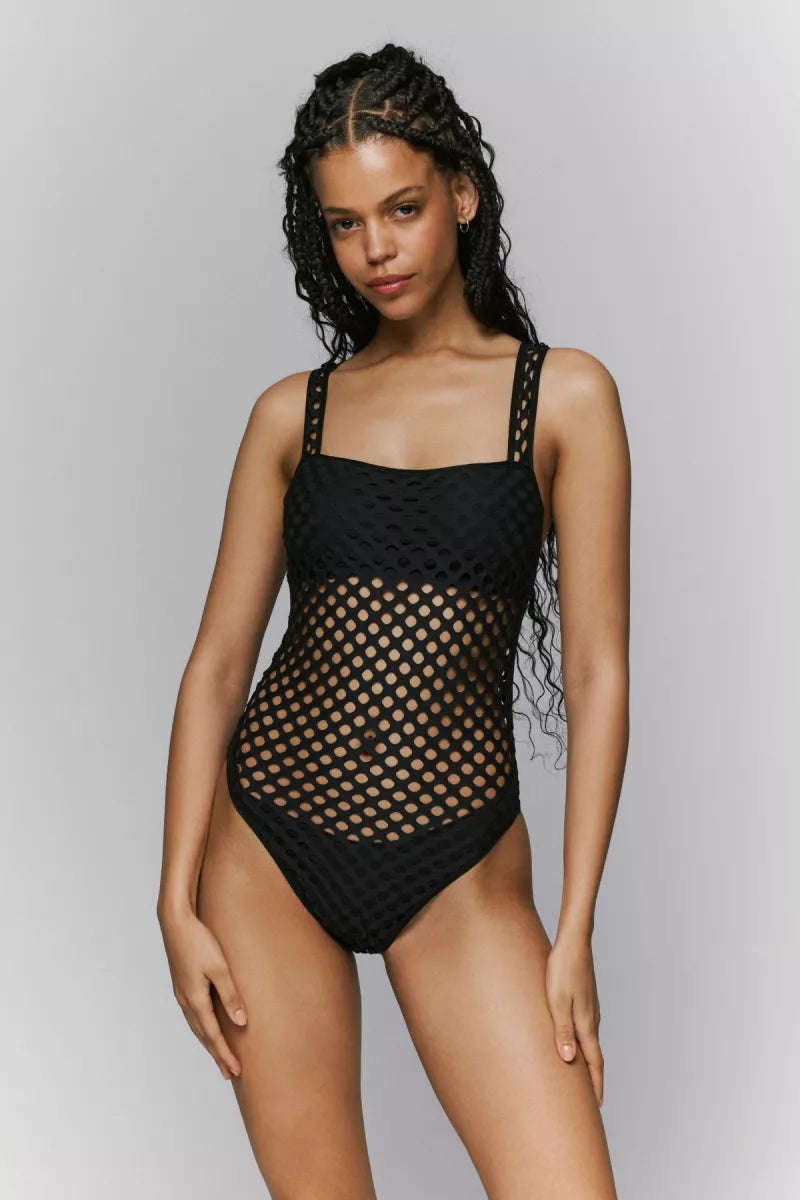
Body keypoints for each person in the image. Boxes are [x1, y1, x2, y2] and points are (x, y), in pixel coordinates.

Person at [157, 42, 630, 1199]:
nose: (375, 248)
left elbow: (595, 674)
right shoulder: (293, 416)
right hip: (267, 847)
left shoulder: (563, 397)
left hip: (456, 858)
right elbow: (217, 667)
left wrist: (573, 927)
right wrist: (174, 900)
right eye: (344, 224)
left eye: (402, 209)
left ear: (459, 194)